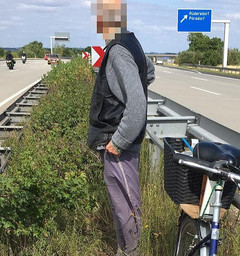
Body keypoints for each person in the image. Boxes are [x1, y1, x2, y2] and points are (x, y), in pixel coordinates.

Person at [88, 0, 155, 254]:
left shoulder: (117, 51)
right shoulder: (132, 44)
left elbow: (137, 105)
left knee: (126, 209)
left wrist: (118, 142)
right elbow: (149, 72)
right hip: (122, 143)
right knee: (123, 209)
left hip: (119, 146)